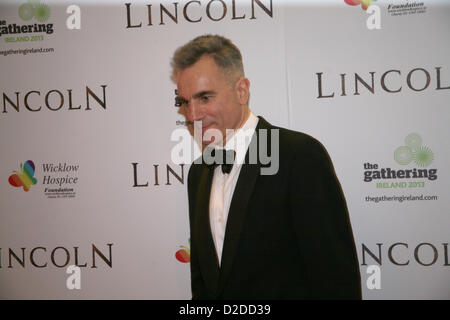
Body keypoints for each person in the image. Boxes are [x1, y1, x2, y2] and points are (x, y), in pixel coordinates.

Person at [171, 34, 361, 299]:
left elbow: (335, 280)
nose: (192, 116)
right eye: (184, 102)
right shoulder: (198, 172)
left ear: (241, 91)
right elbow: (203, 282)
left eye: (204, 98)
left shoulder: (298, 156)